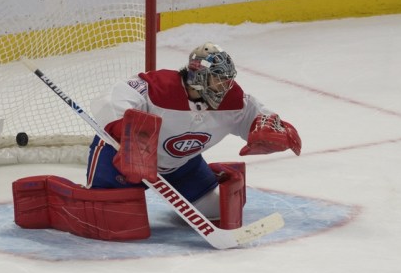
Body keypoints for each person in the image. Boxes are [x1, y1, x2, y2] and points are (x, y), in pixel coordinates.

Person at [86, 41, 302, 225]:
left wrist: (271, 131)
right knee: (111, 221)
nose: (226, 86)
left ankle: (206, 178)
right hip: (121, 160)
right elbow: (111, 98)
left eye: (228, 79)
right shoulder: (160, 87)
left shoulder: (233, 100)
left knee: (215, 211)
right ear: (198, 76)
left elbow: (260, 116)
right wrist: (125, 135)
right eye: (218, 78)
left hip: (182, 166)